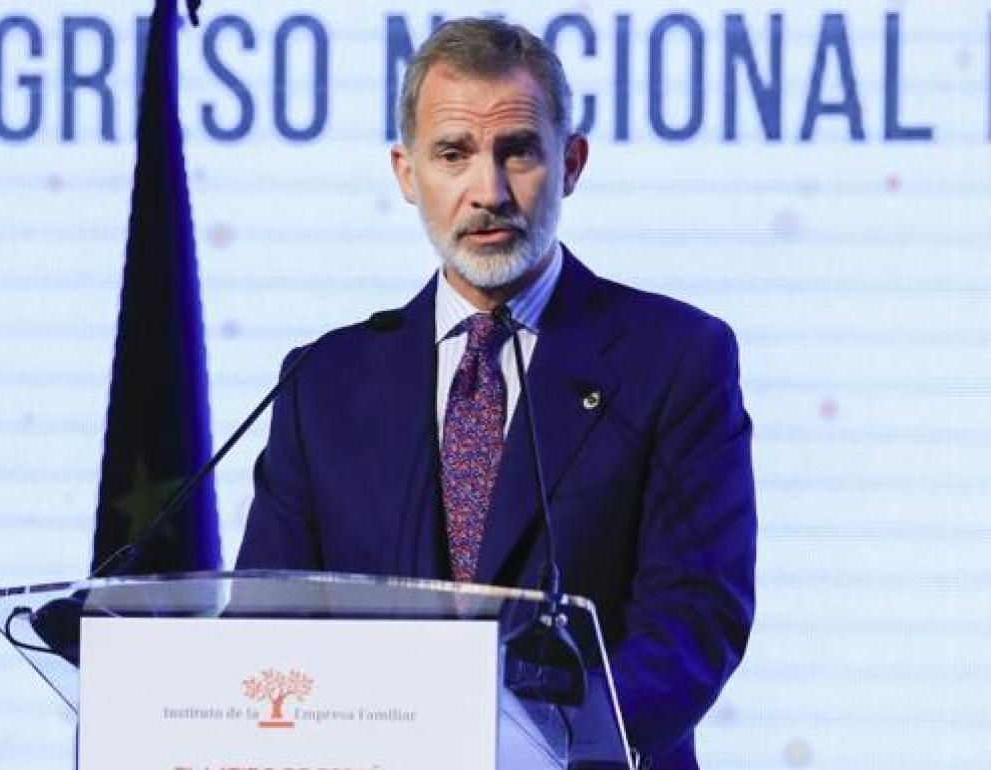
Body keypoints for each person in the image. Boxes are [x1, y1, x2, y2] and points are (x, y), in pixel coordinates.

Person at [235, 18, 755, 770]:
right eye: (453, 154)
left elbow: (693, 624)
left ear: (571, 163)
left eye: (518, 151)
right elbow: (268, 624)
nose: (489, 191)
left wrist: (525, 748)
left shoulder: (674, 358)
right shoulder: (323, 383)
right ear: (406, 172)